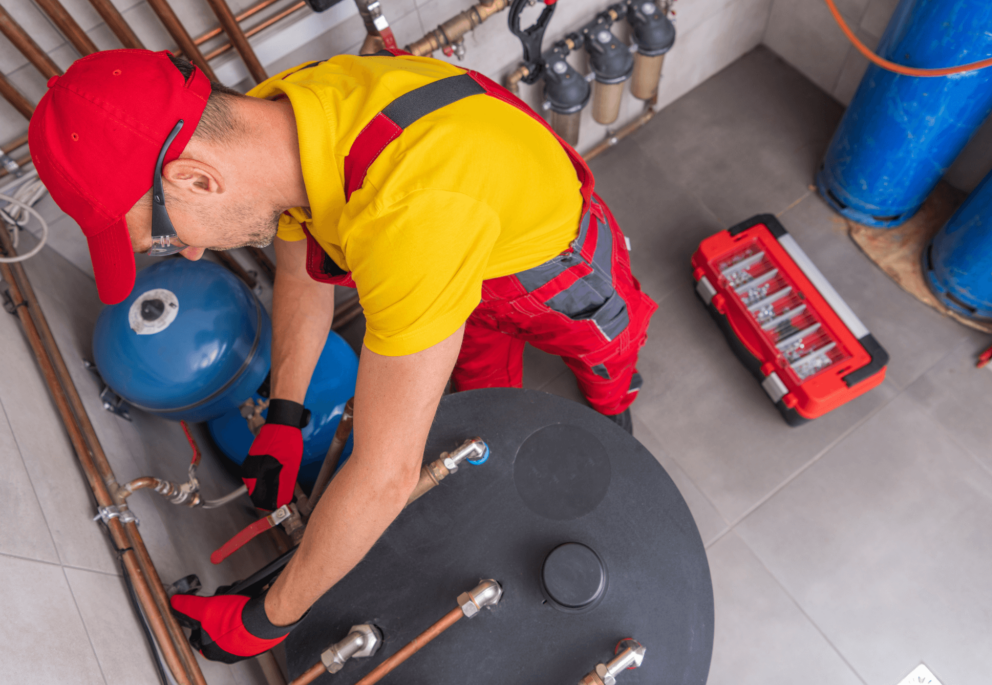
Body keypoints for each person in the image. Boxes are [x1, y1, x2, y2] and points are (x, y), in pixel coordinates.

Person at [27, 48, 656, 662]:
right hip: (472, 253)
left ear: (196, 178)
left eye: (165, 235)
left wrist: (267, 618)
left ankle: (615, 413)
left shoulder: (409, 216)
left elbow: (386, 476)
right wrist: (285, 416)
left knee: (608, 361)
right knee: (486, 390)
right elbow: (306, 263)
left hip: (557, 275)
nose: (188, 255)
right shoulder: (285, 116)